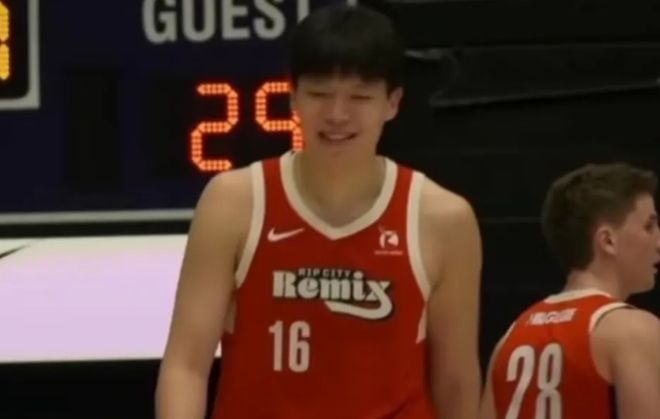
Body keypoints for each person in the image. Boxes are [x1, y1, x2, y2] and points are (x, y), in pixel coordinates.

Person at [156, 4, 482, 419]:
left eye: (359, 97)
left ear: (393, 103)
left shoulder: (443, 218)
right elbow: (186, 365)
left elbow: (456, 382)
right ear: (292, 95)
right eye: (319, 95)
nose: (337, 115)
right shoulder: (234, 202)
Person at [479, 162, 660, 419]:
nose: (658, 241)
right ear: (608, 240)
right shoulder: (634, 331)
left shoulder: (509, 339)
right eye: (649, 226)